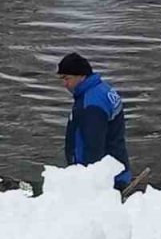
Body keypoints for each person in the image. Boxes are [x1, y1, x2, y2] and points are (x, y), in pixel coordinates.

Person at [57, 52, 132, 189]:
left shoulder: (90, 105)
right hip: (119, 169)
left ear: (81, 76)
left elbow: (92, 148)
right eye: (61, 79)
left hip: (106, 181)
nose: (64, 84)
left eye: (67, 78)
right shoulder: (103, 90)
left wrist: (87, 182)